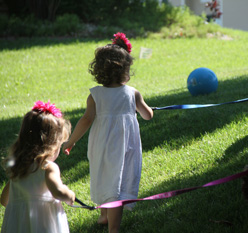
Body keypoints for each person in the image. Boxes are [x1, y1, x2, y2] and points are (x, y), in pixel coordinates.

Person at [63, 32, 153, 233]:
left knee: (105, 177)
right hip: (124, 146)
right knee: (118, 185)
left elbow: (86, 120)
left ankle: (104, 215)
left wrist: (70, 141)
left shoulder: (95, 95)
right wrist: (146, 108)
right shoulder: (132, 93)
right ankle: (113, 228)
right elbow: (148, 116)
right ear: (125, 69)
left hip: (101, 145)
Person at [1, 100, 76, 233]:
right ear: (52, 145)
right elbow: (58, 191)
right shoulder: (48, 168)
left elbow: (4, 200)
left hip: (17, 225)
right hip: (43, 224)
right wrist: (69, 195)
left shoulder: (18, 168)